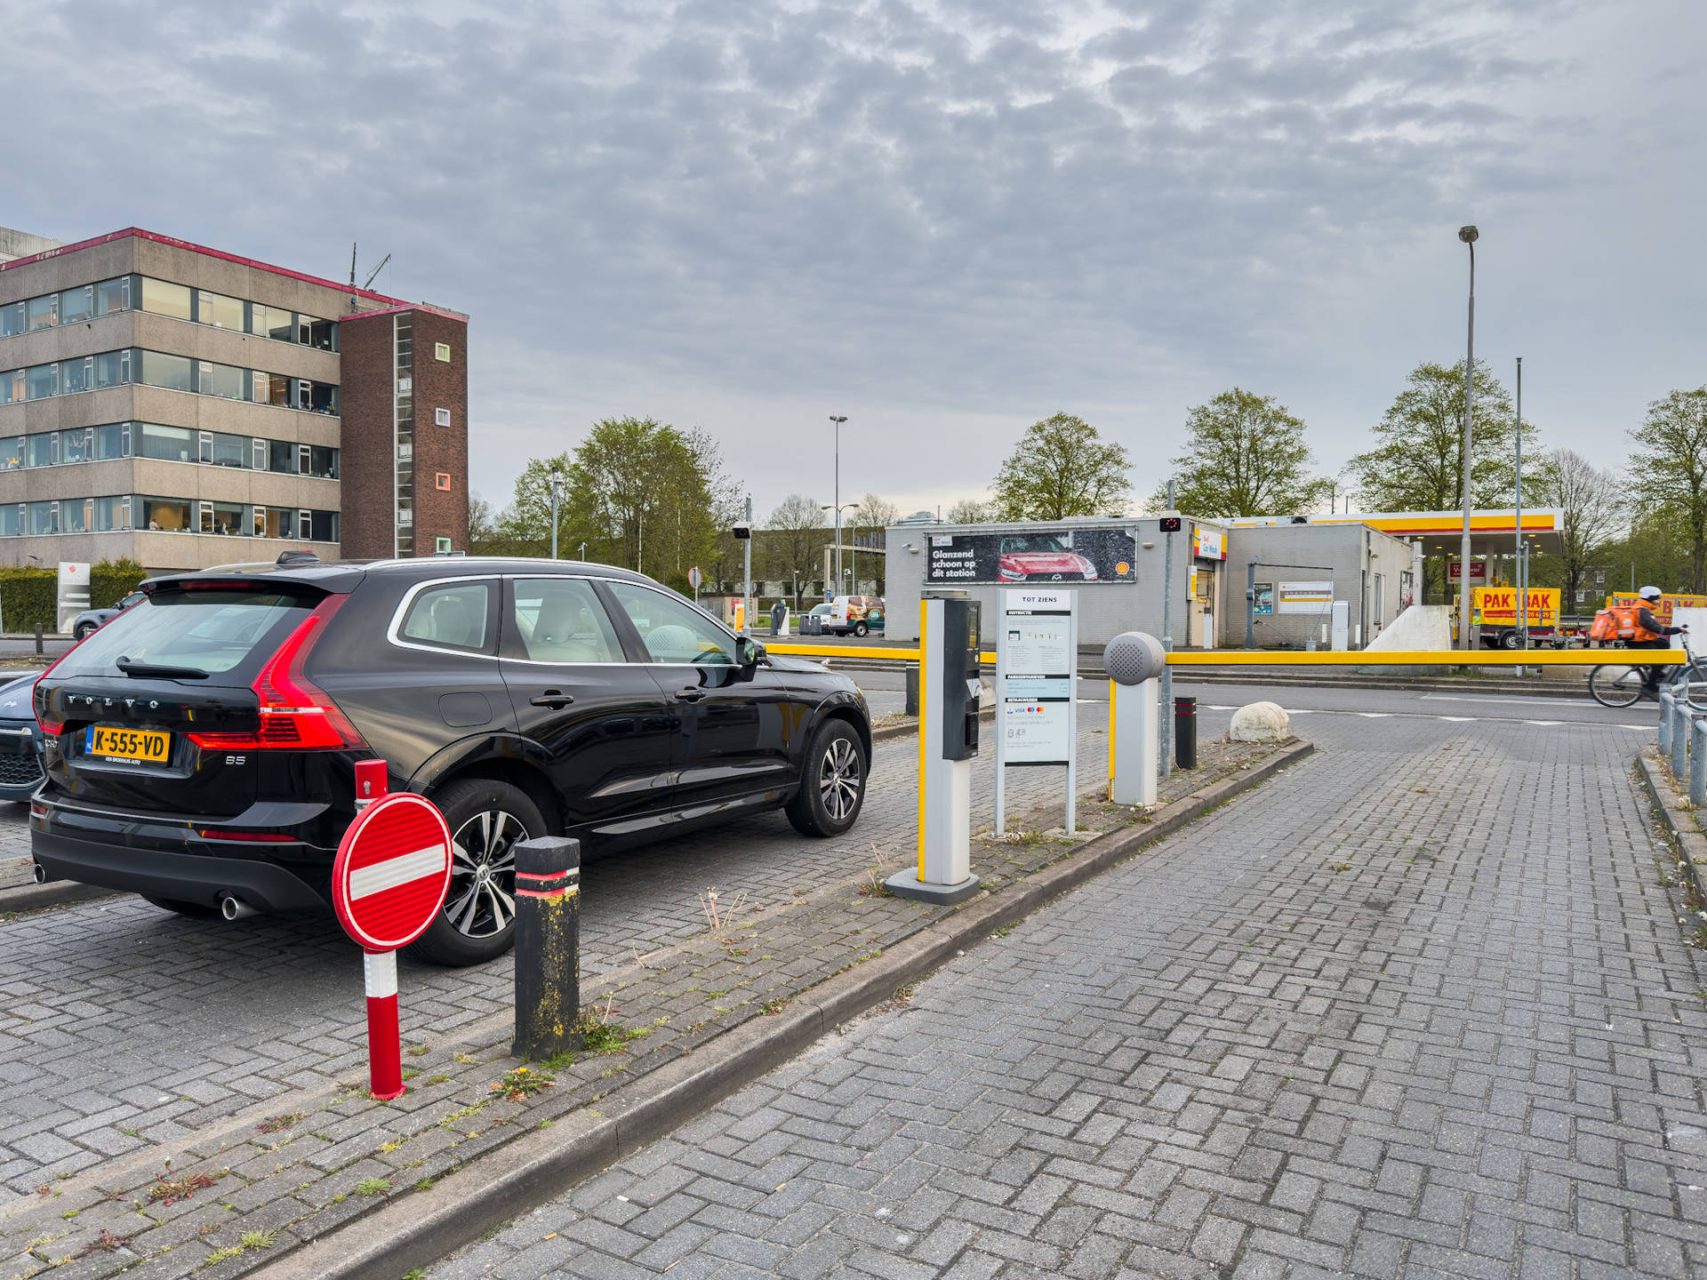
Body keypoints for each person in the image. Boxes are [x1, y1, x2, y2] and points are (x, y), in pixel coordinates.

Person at [1630, 586, 1687, 695]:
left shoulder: (1644, 608)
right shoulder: (1642, 610)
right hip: (1638, 643)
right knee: (1659, 659)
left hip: (1641, 640)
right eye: (1657, 598)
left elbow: (1654, 627)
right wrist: (1676, 630)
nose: (1658, 601)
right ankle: (1650, 686)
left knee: (1663, 643)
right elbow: (1656, 628)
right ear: (1650, 598)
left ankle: (1656, 671)